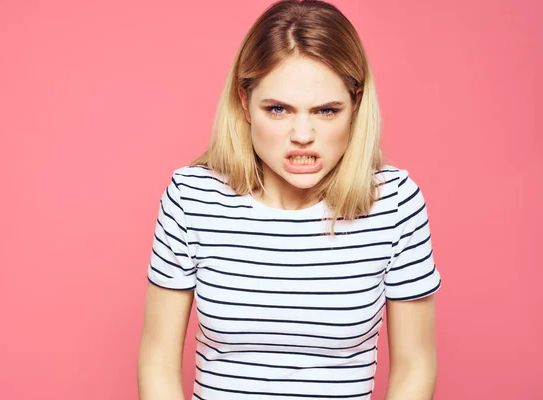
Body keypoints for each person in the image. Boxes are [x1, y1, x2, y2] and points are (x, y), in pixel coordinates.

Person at [137, 0, 442, 399]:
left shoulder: (394, 204)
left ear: (355, 106)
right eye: (278, 109)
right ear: (245, 103)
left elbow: (415, 366)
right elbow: (158, 358)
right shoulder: (192, 198)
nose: (302, 134)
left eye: (326, 111)